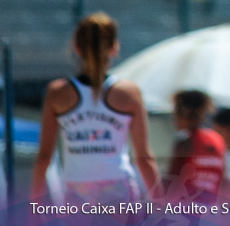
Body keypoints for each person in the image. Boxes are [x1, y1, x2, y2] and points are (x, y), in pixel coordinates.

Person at [30, 12, 161, 205]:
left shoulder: (58, 92)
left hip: (77, 192)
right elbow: (144, 158)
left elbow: (44, 158)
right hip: (119, 189)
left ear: (77, 47)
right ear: (114, 48)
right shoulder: (129, 93)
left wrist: (34, 207)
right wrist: (163, 205)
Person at [167, 90, 226, 204]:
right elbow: (223, 179)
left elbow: (172, 180)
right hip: (211, 208)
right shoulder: (217, 139)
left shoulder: (184, 142)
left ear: (182, 115)